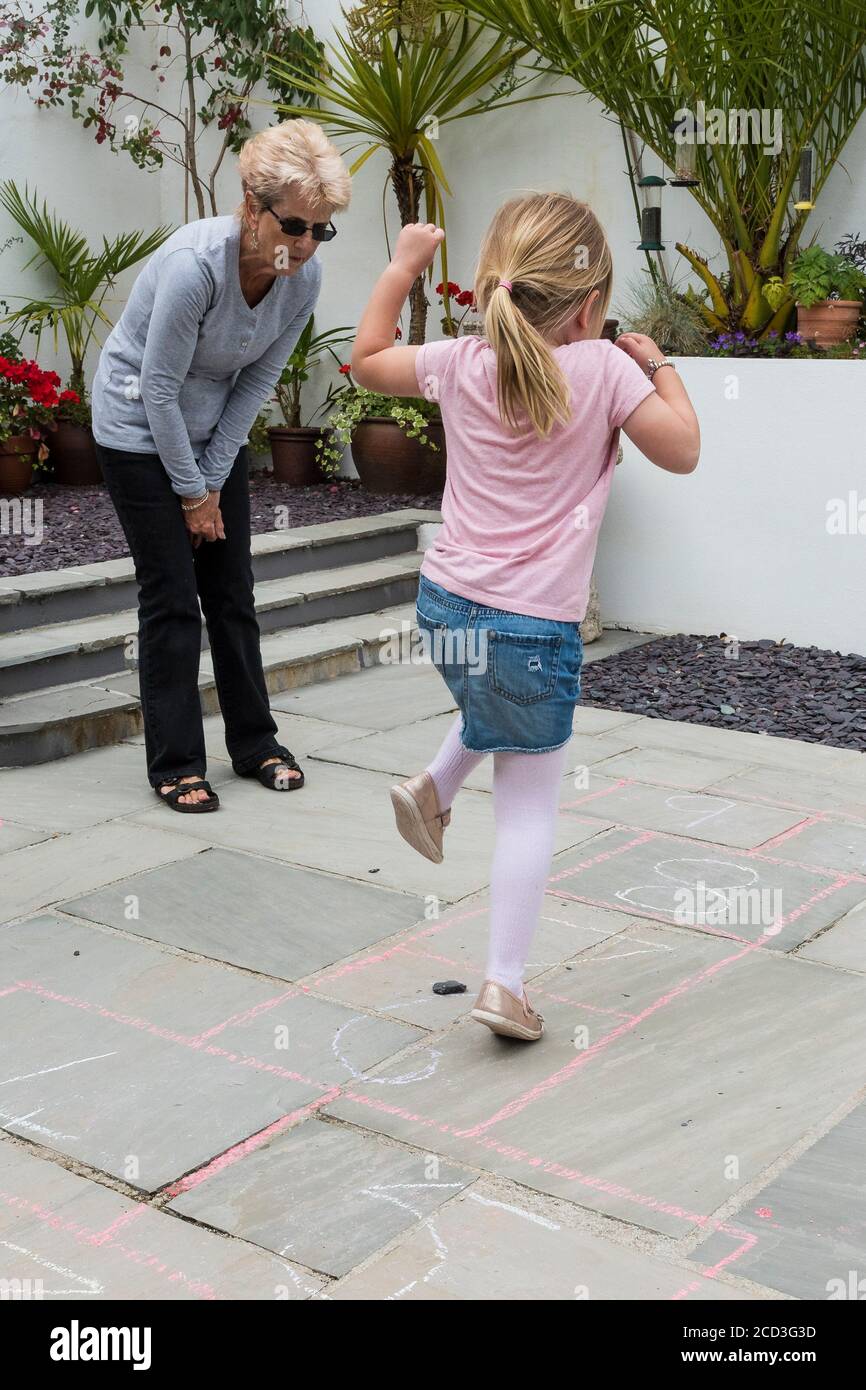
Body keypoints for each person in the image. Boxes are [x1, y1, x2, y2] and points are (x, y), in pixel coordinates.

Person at [350, 192, 700, 1040]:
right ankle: (504, 985)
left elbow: (365, 360)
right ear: (589, 306)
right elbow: (684, 449)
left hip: (444, 604)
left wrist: (400, 269)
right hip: (533, 625)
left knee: (492, 701)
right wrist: (658, 363)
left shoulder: (460, 363)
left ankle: (431, 787)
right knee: (530, 804)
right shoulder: (608, 370)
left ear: (493, 284)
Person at [91, 120, 351, 811]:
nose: (303, 244)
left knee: (232, 591)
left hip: (208, 437)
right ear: (251, 204)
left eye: (320, 230)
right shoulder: (194, 268)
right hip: (136, 428)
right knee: (173, 598)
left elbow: (256, 384)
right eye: (294, 224)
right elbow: (156, 388)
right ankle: (175, 762)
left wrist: (210, 480)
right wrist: (188, 492)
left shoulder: (303, 280)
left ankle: (256, 743)